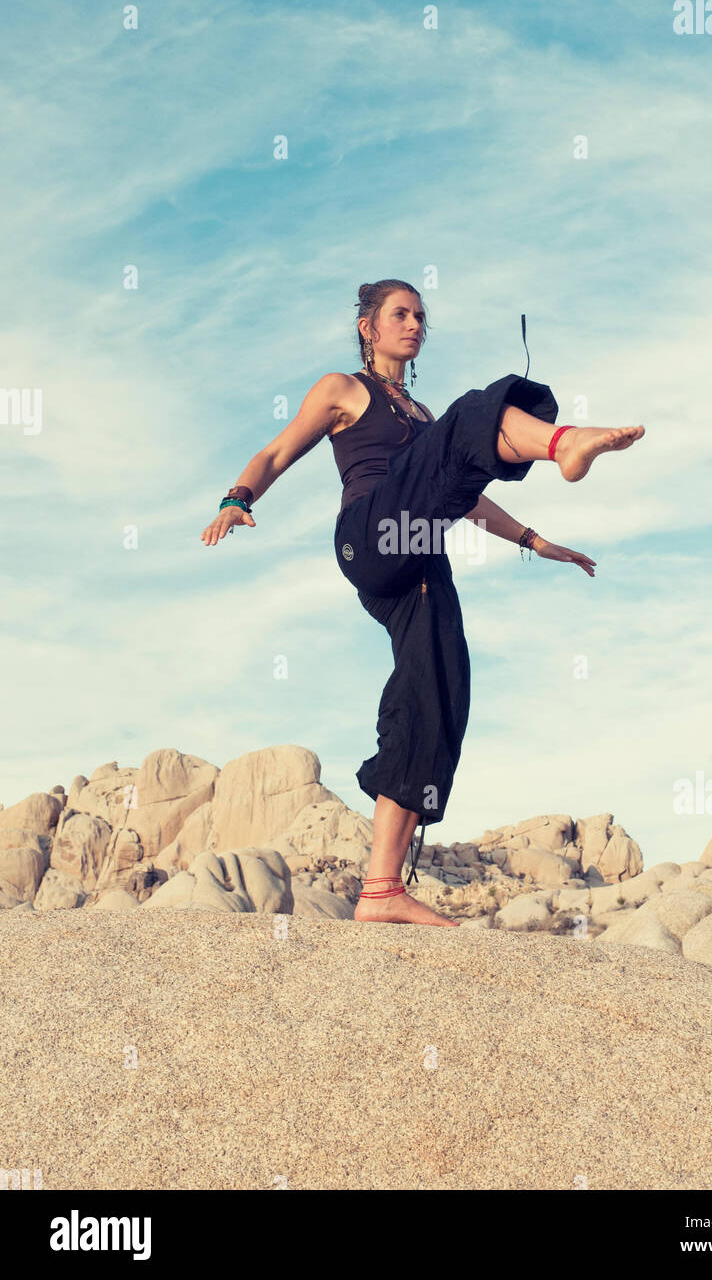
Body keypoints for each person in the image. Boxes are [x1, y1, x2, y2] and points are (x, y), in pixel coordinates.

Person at [201, 279, 644, 928]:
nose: (413, 325)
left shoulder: (428, 419)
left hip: (420, 557)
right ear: (367, 327)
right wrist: (238, 498)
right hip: (369, 535)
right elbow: (277, 449)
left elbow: (463, 496)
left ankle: (380, 888)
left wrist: (534, 540)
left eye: (420, 316)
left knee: (436, 689)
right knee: (472, 415)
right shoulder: (342, 390)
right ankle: (563, 443)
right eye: (400, 315)